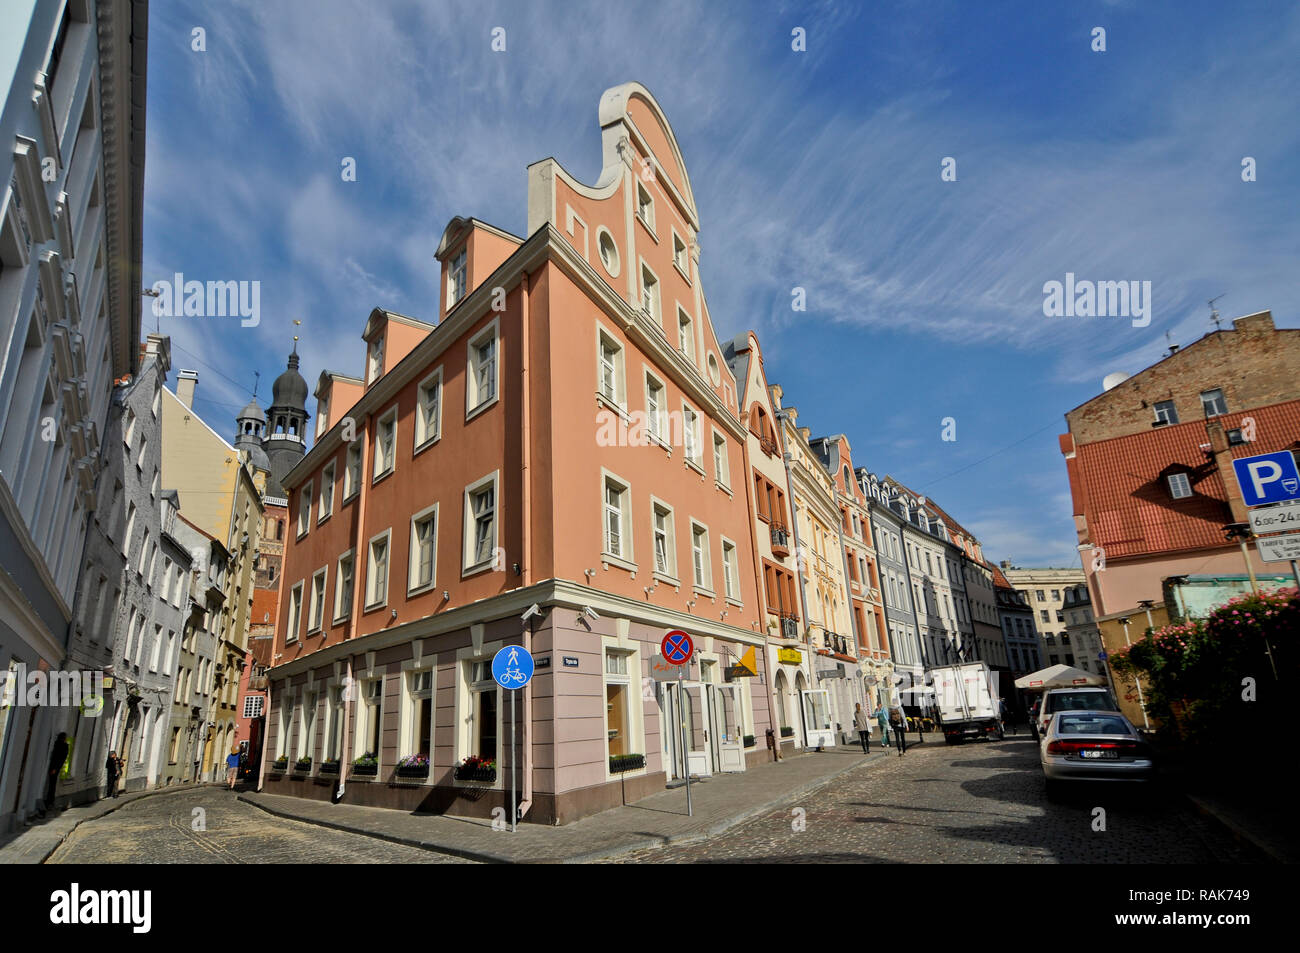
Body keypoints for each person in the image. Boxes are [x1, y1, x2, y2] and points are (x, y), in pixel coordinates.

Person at [44, 732, 69, 814]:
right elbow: (60, 757)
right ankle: (49, 801)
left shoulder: (63, 745)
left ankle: (49, 801)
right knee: (52, 784)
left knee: (52, 784)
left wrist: (56, 768)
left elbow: (60, 758)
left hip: (54, 767)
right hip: (54, 766)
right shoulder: (62, 745)